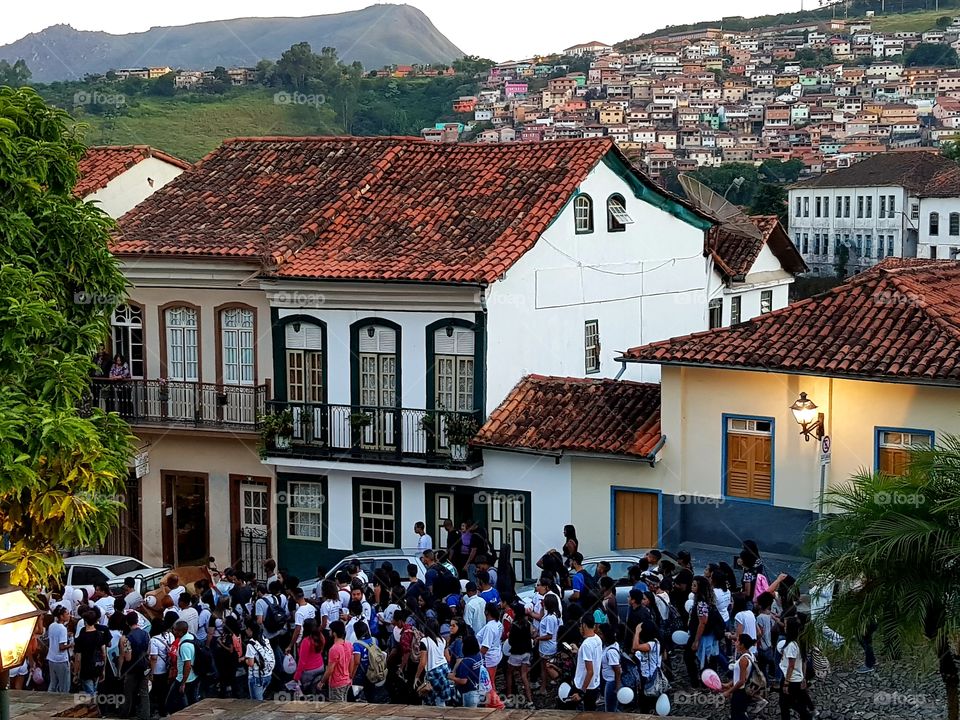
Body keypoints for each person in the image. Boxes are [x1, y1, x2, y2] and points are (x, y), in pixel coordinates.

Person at [778, 617, 814, 720]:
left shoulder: (791, 645)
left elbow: (791, 665)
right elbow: (804, 661)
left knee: (786, 704)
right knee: (794, 702)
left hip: (791, 679)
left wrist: (786, 682)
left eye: (786, 626)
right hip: (797, 678)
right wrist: (803, 677)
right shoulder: (800, 642)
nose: (784, 627)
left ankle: (807, 716)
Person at [414, 619, 455, 707]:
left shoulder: (424, 641)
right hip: (444, 669)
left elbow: (422, 663)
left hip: (433, 671)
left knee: (428, 701)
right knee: (441, 700)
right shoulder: (442, 640)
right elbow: (448, 658)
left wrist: (417, 676)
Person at [119, 612, 151, 720]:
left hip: (132, 669)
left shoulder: (128, 638)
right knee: (144, 692)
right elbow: (148, 651)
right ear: (137, 620)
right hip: (144, 667)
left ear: (127, 622)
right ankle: (145, 715)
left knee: (128, 692)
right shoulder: (146, 634)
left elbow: (128, 657)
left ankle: (125, 713)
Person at [569, 613, 602, 711]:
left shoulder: (586, 645)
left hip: (582, 685)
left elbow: (590, 671)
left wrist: (581, 692)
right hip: (594, 685)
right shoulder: (597, 639)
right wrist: (579, 651)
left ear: (584, 625)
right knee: (590, 713)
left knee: (568, 710)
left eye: (580, 625)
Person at [477, 602, 506, 709]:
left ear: (486, 612)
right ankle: (490, 703)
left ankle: (497, 704)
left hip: (489, 658)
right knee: (490, 682)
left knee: (488, 684)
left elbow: (485, 647)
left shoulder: (489, 627)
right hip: (496, 655)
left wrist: (477, 657)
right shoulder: (498, 624)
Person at [506, 601, 534, 708]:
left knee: (509, 673)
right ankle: (530, 700)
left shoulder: (514, 625)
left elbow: (511, 641)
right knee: (524, 676)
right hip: (526, 652)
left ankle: (509, 698)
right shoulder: (528, 623)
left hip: (516, 653)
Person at [723, 635, 759, 720]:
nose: (735, 643)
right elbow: (742, 675)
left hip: (740, 692)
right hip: (744, 691)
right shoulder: (750, 655)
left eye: (737, 641)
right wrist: (729, 684)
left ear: (742, 645)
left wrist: (729, 691)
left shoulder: (743, 660)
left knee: (737, 715)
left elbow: (742, 680)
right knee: (740, 713)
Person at [73, 610, 108, 695]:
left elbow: (78, 657)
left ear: (85, 621)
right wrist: (103, 669)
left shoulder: (82, 634)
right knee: (94, 690)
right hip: (97, 666)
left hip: (86, 668)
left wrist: (76, 673)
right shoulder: (99, 634)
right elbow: (104, 653)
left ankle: (93, 707)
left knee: (90, 693)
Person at [169, 620, 200, 712]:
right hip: (193, 676)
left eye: (174, 630)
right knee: (191, 701)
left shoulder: (185, 645)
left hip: (184, 678)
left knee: (171, 703)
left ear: (180, 632)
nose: (173, 631)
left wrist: (183, 683)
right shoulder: (190, 636)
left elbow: (187, 665)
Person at [149, 613, 175, 718]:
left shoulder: (154, 640)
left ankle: (159, 711)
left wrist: (151, 672)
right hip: (170, 667)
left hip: (158, 670)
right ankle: (166, 710)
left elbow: (154, 658)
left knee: (157, 692)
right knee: (166, 690)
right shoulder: (170, 635)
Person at [243, 617, 275, 700]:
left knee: (256, 702)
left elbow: (251, 663)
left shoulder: (250, 644)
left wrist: (244, 660)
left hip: (256, 677)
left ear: (250, 629)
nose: (245, 631)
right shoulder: (265, 639)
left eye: (246, 629)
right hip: (268, 674)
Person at [633, 620, 661, 714]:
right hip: (647, 675)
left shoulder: (652, 644)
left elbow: (635, 647)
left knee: (646, 703)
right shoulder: (656, 642)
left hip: (649, 676)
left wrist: (637, 632)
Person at [323, 620, 353, 702]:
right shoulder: (349, 644)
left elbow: (330, 669)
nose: (329, 632)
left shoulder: (334, 649)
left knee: (337, 709)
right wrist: (350, 675)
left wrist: (322, 681)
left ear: (334, 633)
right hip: (347, 681)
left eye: (330, 630)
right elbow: (352, 661)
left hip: (337, 683)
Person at [293, 619, 326, 695]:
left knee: (306, 692)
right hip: (320, 666)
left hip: (309, 671)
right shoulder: (321, 636)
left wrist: (296, 676)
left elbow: (302, 661)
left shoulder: (306, 641)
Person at [449, 635, 482, 707]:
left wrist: (452, 678)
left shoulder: (466, 661)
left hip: (469, 692)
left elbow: (463, 681)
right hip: (480, 689)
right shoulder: (479, 655)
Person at [47, 606, 71, 693]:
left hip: (51, 658)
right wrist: (71, 645)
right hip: (61, 660)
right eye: (67, 614)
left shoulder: (52, 625)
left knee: (53, 684)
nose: (69, 615)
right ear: (61, 616)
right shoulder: (62, 629)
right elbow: (61, 647)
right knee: (64, 686)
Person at [598, 623, 622, 713]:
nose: (599, 635)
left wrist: (617, 686)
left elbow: (617, 670)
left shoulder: (610, 652)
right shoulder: (612, 645)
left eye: (600, 633)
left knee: (610, 708)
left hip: (611, 681)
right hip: (607, 679)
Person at [287, 587, 315, 655]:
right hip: (312, 637)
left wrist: (290, 645)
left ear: (295, 597)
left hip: (301, 640)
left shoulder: (299, 613)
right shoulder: (311, 607)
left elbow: (297, 630)